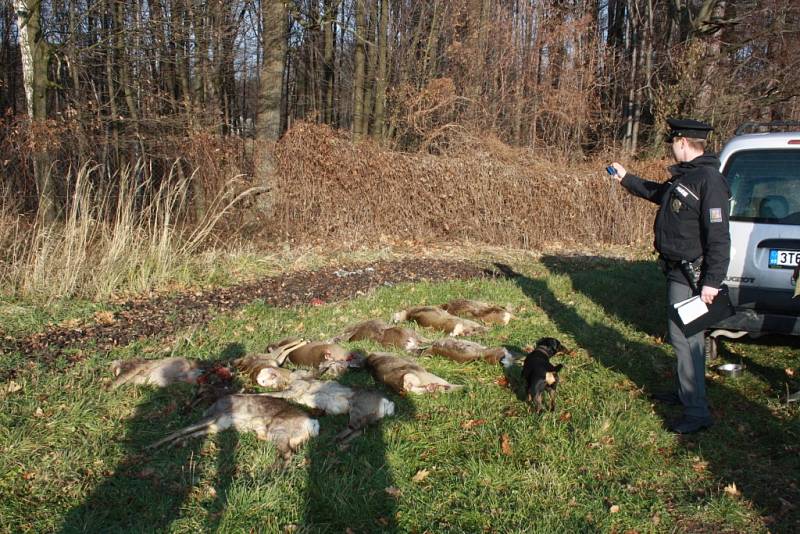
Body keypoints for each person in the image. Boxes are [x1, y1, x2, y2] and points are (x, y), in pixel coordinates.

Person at [610, 118, 731, 434]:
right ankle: (685, 394)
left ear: (683, 143)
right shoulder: (687, 178)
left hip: (695, 275)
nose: (671, 148)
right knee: (680, 336)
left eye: (673, 143)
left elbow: (719, 236)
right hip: (678, 271)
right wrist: (626, 178)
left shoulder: (708, 180)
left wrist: (712, 282)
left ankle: (697, 411)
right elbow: (658, 193)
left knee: (687, 339)